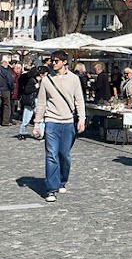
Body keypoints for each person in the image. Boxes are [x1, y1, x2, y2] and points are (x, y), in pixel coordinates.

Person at [33, 50, 85, 202]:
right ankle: (51, 188)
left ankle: (62, 180)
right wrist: (37, 123)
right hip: (51, 121)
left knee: (64, 155)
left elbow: (79, 100)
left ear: (64, 62)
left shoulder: (74, 79)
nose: (53, 63)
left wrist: (81, 118)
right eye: (52, 61)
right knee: (51, 154)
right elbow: (41, 103)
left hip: (68, 122)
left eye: (56, 61)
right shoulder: (47, 80)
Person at [18, 65, 42, 140]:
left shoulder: (37, 80)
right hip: (31, 101)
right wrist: (36, 86)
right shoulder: (32, 80)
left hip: (36, 100)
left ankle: (40, 133)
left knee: (40, 119)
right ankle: (22, 133)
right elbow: (27, 90)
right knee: (26, 119)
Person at [0, 56, 13, 126]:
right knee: (6, 105)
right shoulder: (6, 71)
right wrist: (11, 88)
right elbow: (10, 81)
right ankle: (5, 121)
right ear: (5, 64)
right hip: (5, 90)